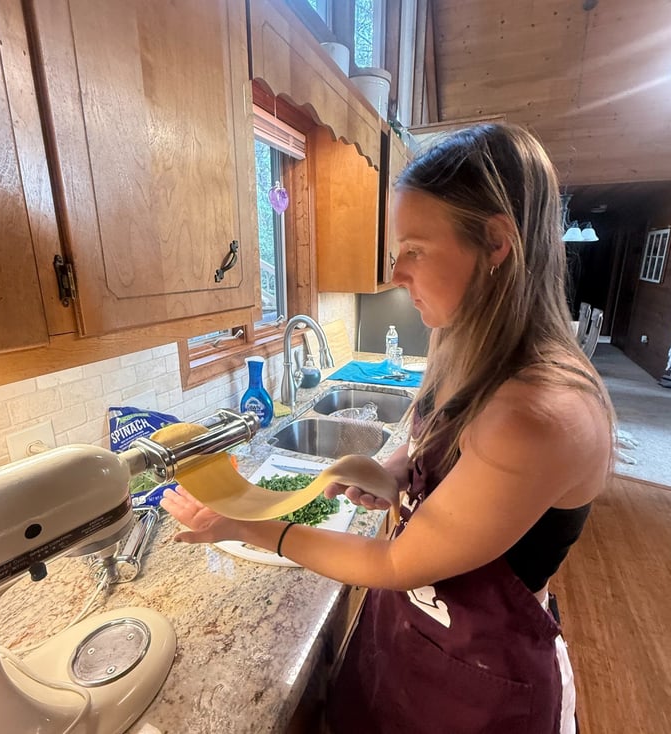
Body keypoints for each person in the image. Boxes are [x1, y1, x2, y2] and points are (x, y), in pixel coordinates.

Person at [161, 122, 614, 734]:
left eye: (416, 250)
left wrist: (246, 526)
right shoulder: (459, 336)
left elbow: (402, 564)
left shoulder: (540, 414)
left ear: (497, 242)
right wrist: (391, 469)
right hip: (405, 639)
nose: (397, 273)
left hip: (486, 681)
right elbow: (431, 440)